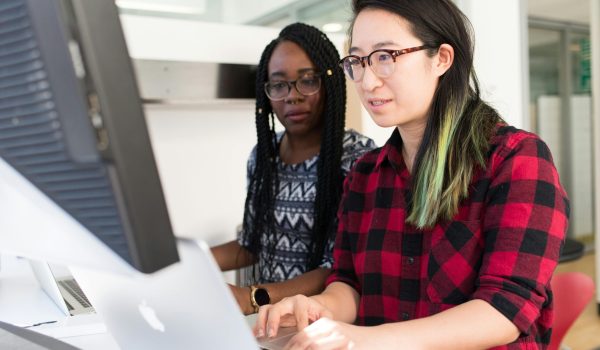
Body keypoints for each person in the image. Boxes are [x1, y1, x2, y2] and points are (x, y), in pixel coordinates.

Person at [253, 1, 569, 349]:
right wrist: (318, 308)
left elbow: (504, 311)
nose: (368, 81)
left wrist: (366, 339)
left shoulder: (515, 159)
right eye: (358, 61)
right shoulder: (365, 173)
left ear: (442, 59)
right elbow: (349, 284)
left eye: (386, 56)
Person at [211, 23, 376, 315]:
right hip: (270, 326)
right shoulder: (264, 156)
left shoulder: (357, 159)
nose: (292, 96)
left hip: (325, 325)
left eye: (308, 80)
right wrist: (188, 261)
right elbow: (252, 243)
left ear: (329, 83)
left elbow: (338, 268)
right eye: (278, 85)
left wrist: (252, 297)